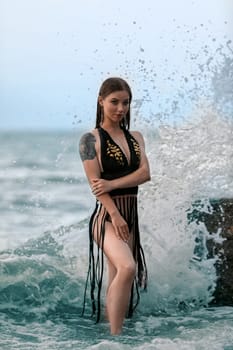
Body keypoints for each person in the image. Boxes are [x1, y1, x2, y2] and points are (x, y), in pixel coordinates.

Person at [79, 77, 151, 335]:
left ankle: (108, 332)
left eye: (126, 103)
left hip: (131, 215)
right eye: (114, 102)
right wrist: (115, 214)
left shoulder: (136, 137)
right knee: (127, 267)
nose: (120, 108)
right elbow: (96, 185)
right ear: (101, 101)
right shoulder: (90, 140)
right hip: (108, 218)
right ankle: (117, 340)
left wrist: (112, 184)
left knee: (118, 278)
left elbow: (145, 174)